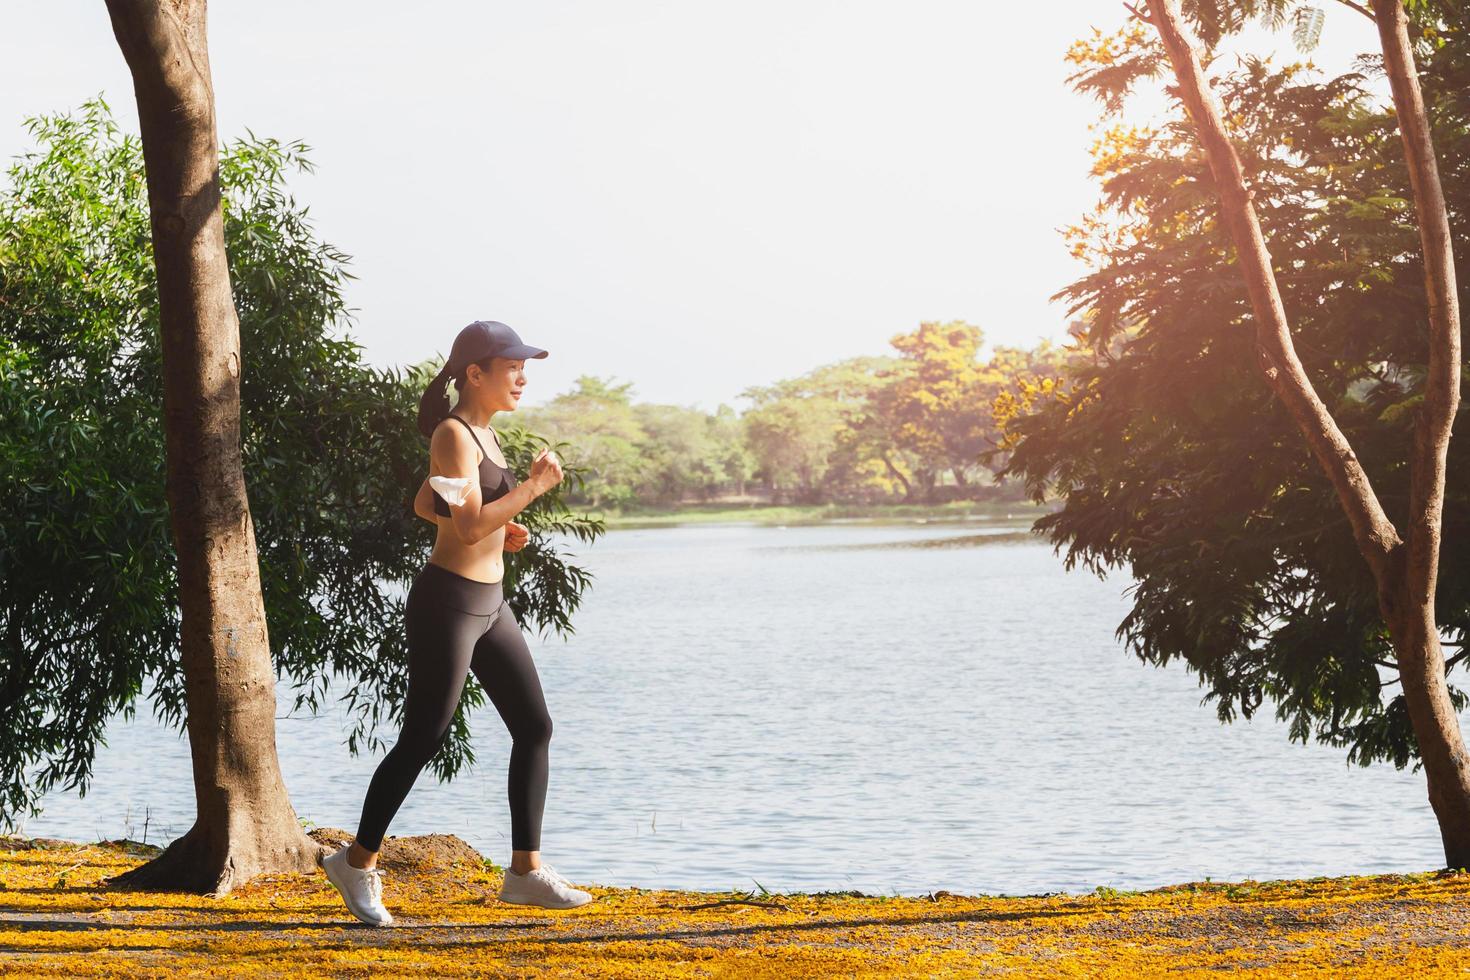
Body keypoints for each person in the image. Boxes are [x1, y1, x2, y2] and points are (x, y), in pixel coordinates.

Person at [322, 320, 593, 926]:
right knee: (425, 735)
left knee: (534, 726)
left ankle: (525, 872)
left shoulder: (485, 435)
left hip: (490, 602)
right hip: (449, 602)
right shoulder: (454, 434)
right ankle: (357, 863)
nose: (523, 376)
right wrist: (531, 488)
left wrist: (503, 523)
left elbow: (429, 505)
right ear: (476, 373)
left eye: (526, 366)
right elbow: (465, 526)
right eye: (513, 366)